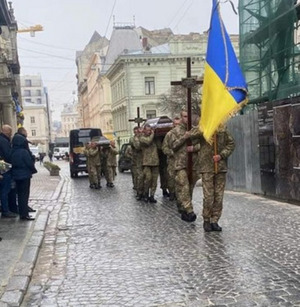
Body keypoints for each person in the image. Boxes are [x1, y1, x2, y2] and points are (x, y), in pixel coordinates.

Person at [197, 124, 235, 232]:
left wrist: (221, 155)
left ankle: (215, 220)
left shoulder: (223, 130)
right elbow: (192, 138)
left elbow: (231, 144)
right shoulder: (203, 129)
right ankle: (206, 220)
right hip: (207, 167)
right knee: (208, 196)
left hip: (220, 167)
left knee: (219, 196)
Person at [170, 110, 197, 222]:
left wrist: (194, 148)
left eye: (188, 116)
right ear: (181, 118)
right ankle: (189, 210)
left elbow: (202, 145)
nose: (187, 119)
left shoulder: (195, 129)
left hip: (193, 164)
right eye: (185, 116)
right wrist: (184, 137)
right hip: (180, 164)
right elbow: (173, 146)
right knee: (184, 186)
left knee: (189, 188)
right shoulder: (175, 131)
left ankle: (184, 208)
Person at [11, 133, 37, 220]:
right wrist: (33, 169)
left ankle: (22, 212)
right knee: (24, 195)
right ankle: (24, 214)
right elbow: (29, 163)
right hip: (24, 175)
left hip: (15, 175)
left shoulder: (12, 151)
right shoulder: (24, 152)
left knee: (19, 195)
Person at [162, 116, 181, 202]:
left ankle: (179, 194)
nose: (176, 125)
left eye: (178, 124)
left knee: (181, 179)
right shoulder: (169, 134)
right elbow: (164, 147)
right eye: (175, 124)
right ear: (173, 124)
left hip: (181, 161)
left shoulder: (183, 133)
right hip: (172, 161)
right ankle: (172, 193)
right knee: (171, 179)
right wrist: (171, 153)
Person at [139, 124, 159, 203]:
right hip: (146, 162)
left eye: (150, 130)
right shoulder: (142, 138)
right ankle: (146, 194)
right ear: (144, 130)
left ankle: (152, 196)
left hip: (155, 162)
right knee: (148, 179)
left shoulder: (154, 138)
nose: (149, 132)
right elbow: (148, 142)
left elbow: (159, 146)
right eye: (147, 130)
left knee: (154, 180)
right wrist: (153, 134)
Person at [0, 124, 17, 218]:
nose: (11, 134)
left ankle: (5, 209)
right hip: (4, 168)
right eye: (10, 132)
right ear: (7, 132)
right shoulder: (3, 141)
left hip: (2, 166)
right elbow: (8, 155)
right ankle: (5, 210)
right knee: (5, 190)